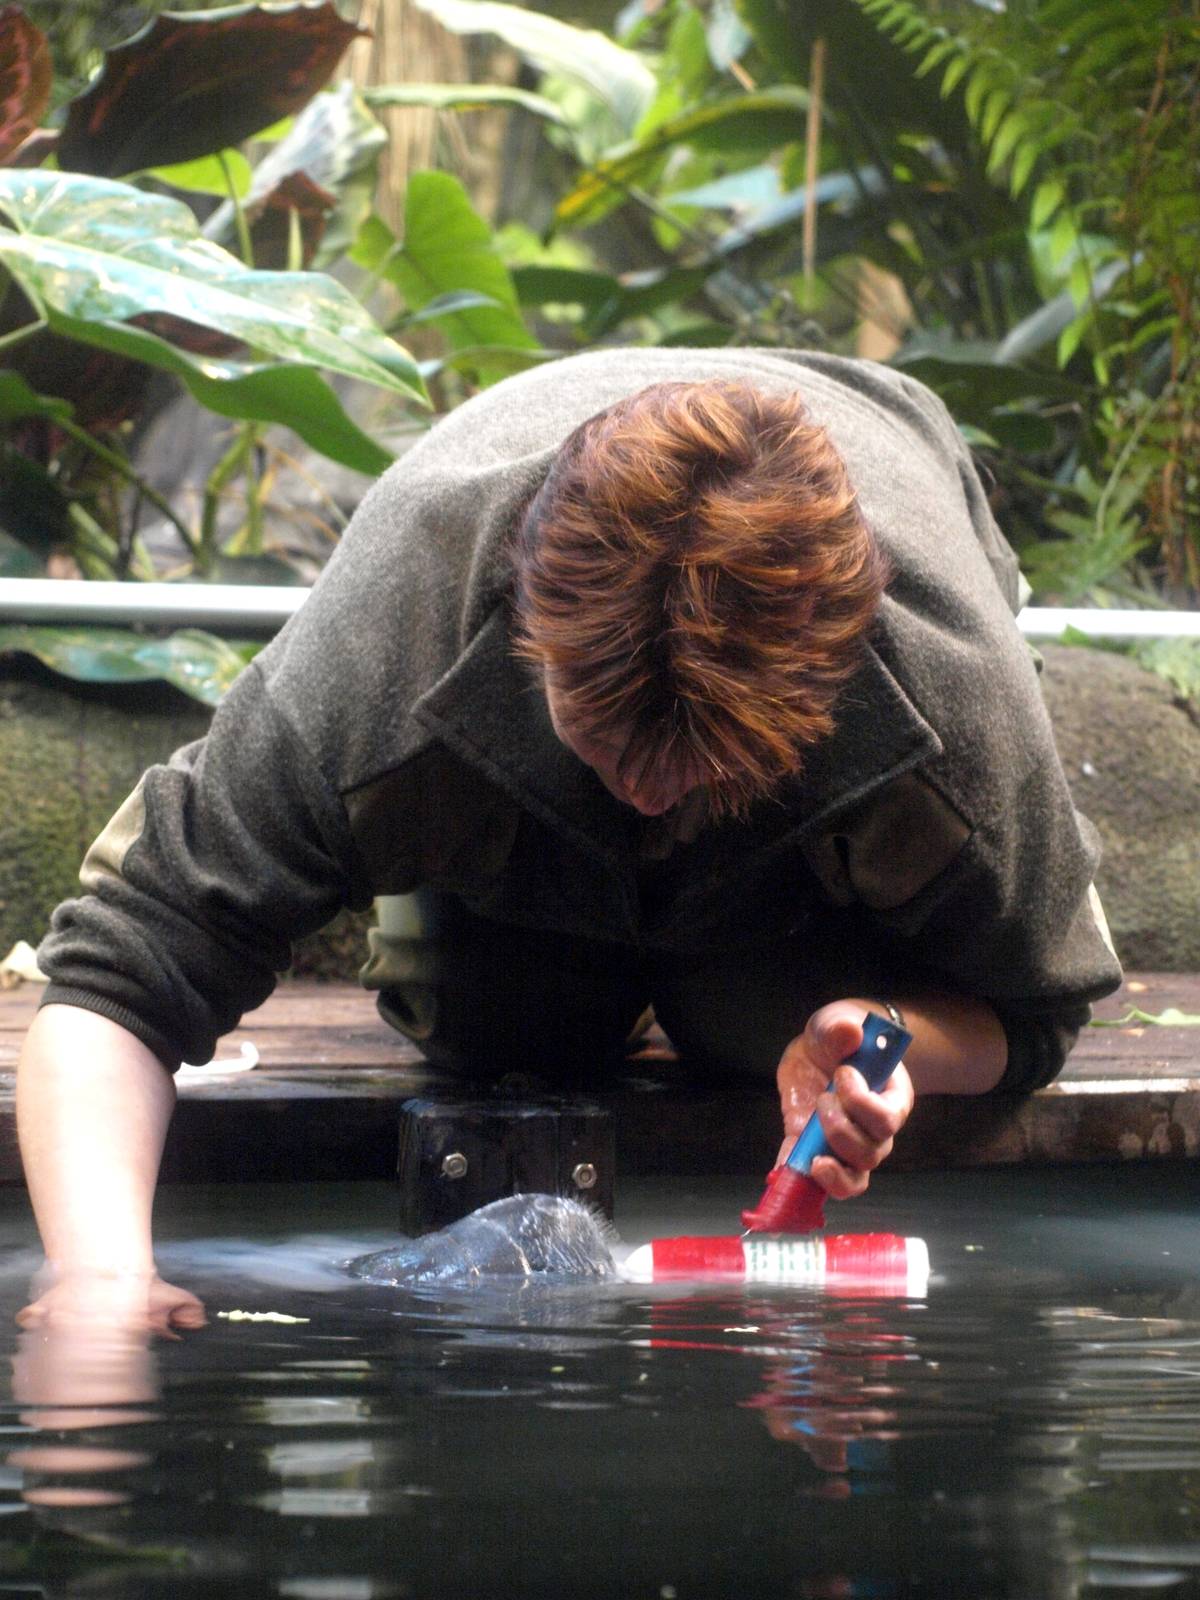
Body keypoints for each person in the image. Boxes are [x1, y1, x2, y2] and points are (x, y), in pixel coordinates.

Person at [15, 347, 1122, 1331]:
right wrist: (102, 1280)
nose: (647, 795)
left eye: (697, 767)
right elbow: (119, 977)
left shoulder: (947, 699)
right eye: (611, 742)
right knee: (502, 1032)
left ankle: (758, 929)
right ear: (527, 629)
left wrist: (892, 1035)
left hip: (790, 896)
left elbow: (1041, 1005)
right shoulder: (394, 636)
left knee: (757, 1035)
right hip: (505, 884)